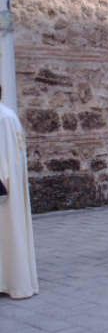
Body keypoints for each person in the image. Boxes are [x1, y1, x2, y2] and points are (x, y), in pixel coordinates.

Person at [0, 89, 39, 299]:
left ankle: (12, 281)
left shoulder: (4, 118)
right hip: (6, 183)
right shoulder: (7, 115)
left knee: (9, 232)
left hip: (6, 187)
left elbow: (5, 158)